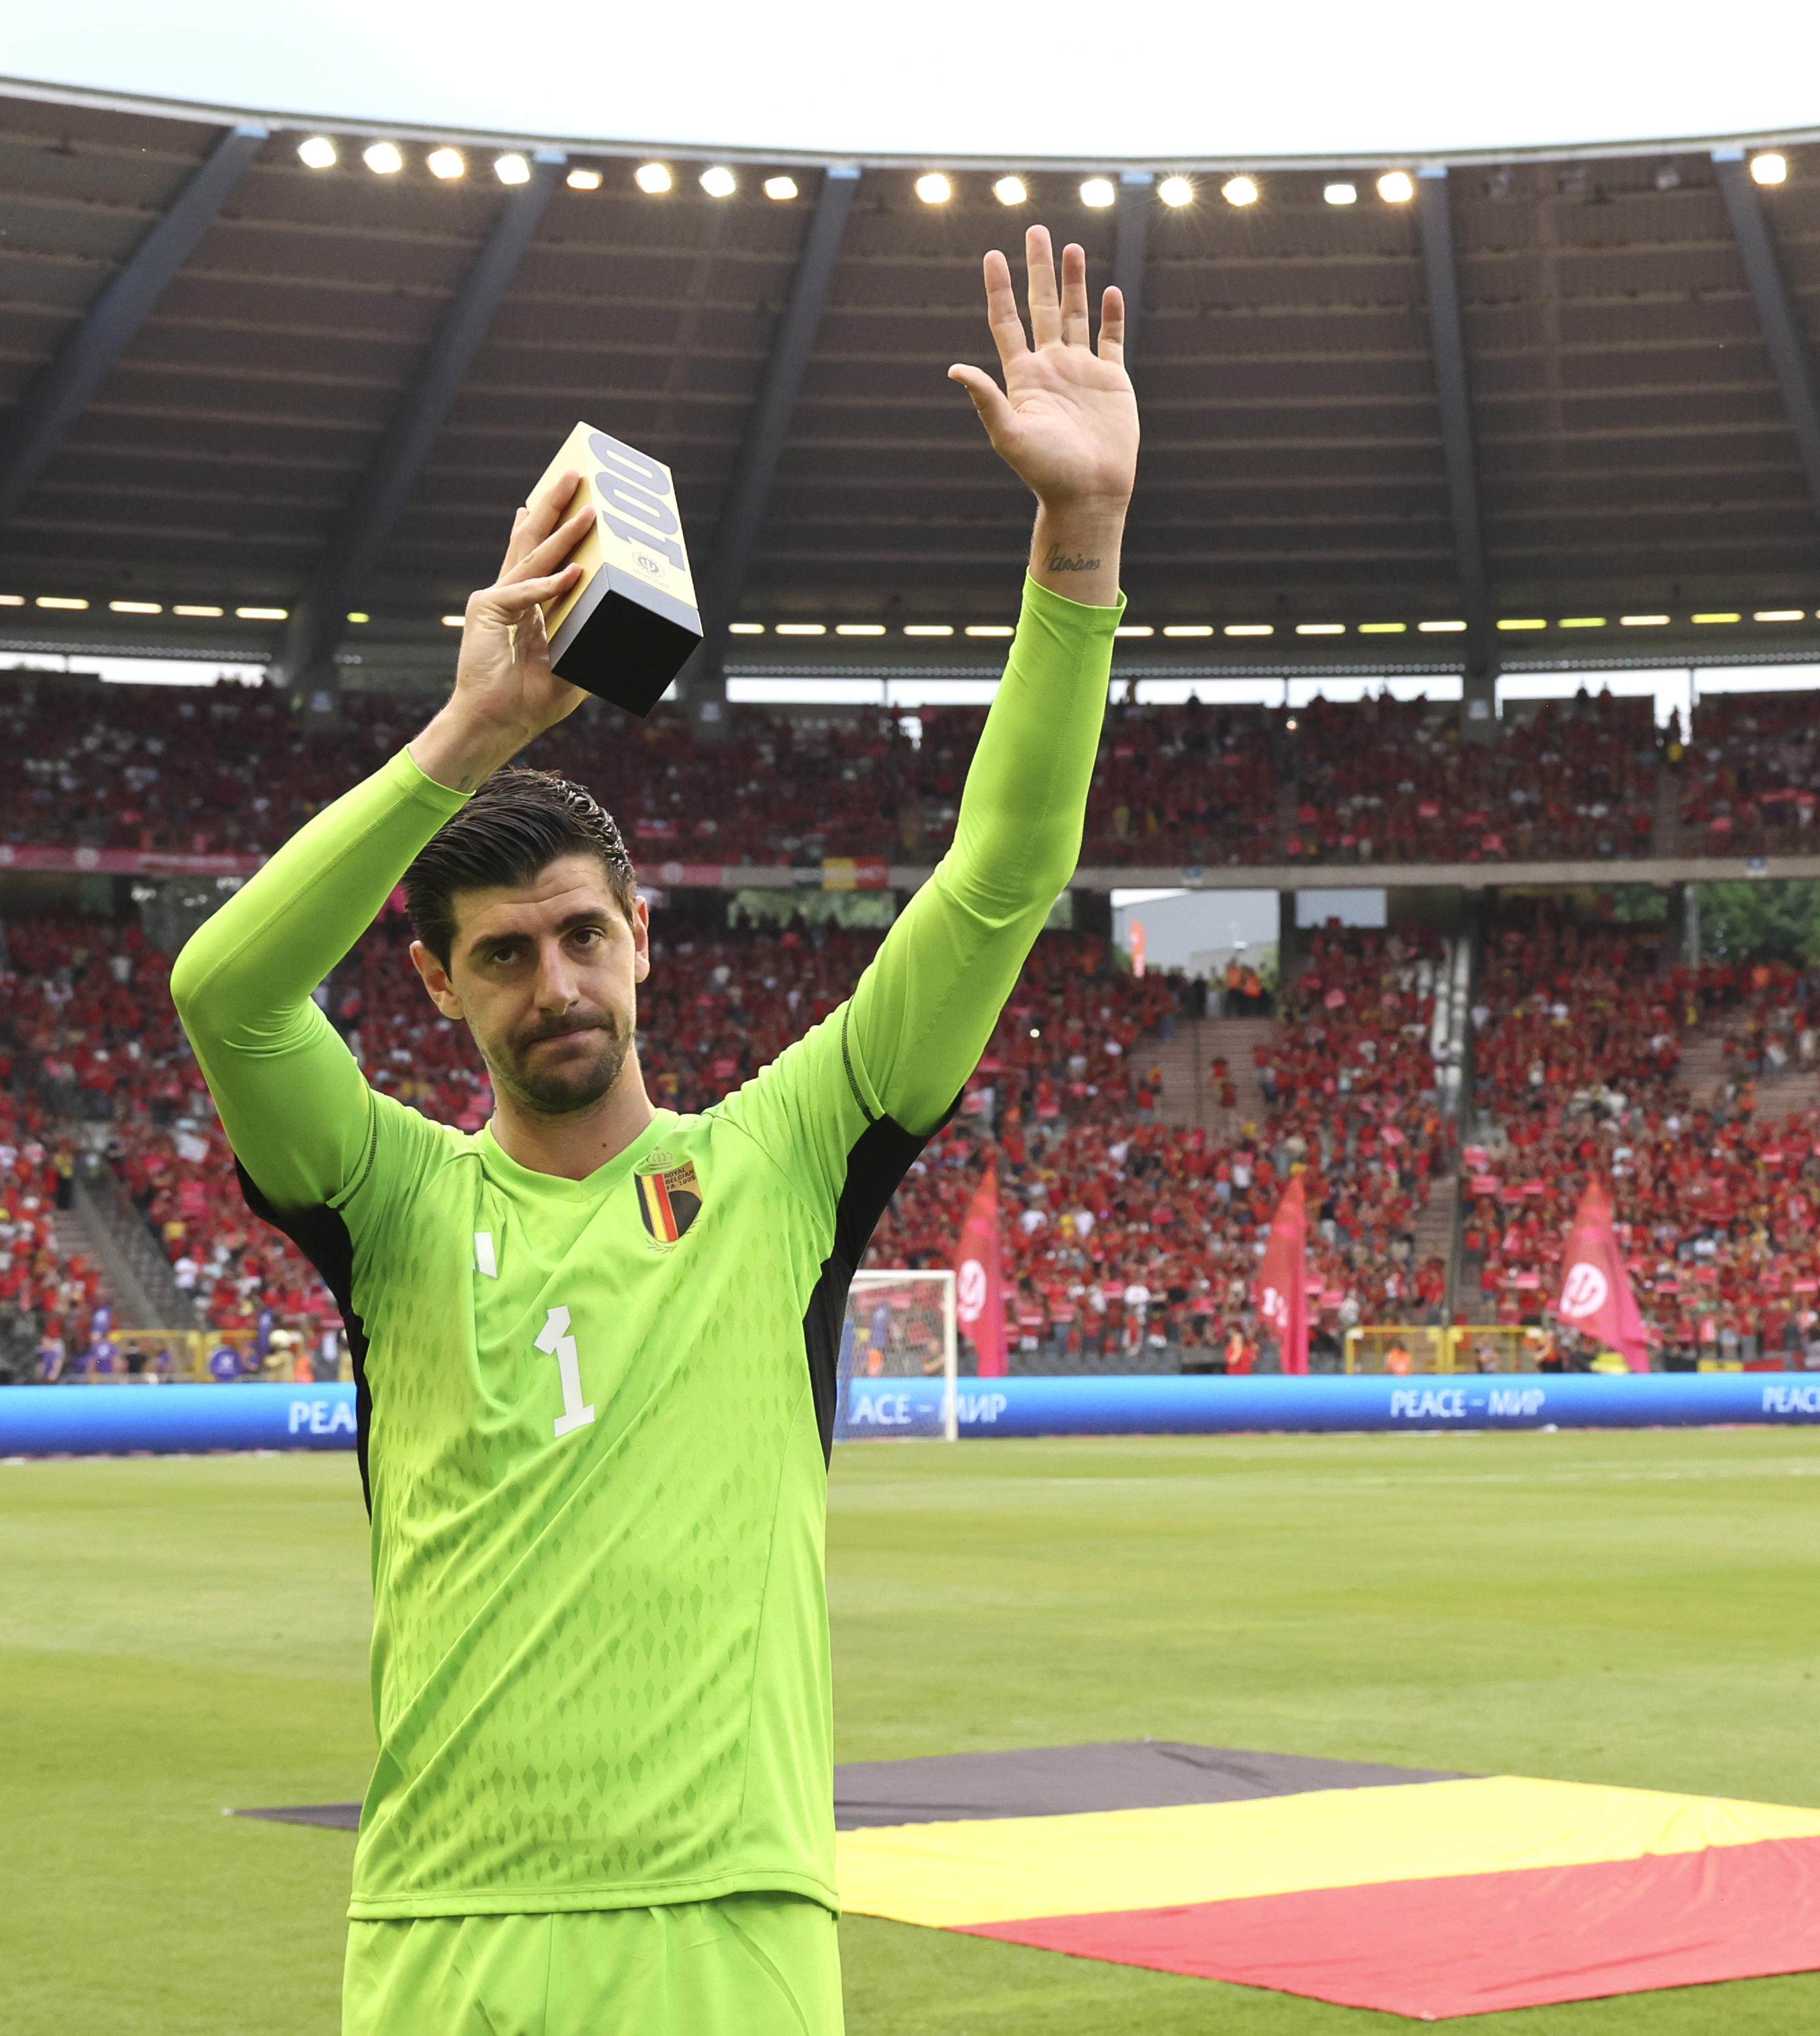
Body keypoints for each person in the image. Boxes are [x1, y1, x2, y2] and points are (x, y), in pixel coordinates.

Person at [170, 228, 1136, 2036]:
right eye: (506, 951)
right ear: (444, 985)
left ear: (643, 932)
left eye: (584, 928)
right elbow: (227, 992)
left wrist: (1076, 546)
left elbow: (1004, 874)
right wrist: (468, 729)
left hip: (733, 1917)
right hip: (451, 1925)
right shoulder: (388, 1199)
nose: (557, 978)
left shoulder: (784, 1154)